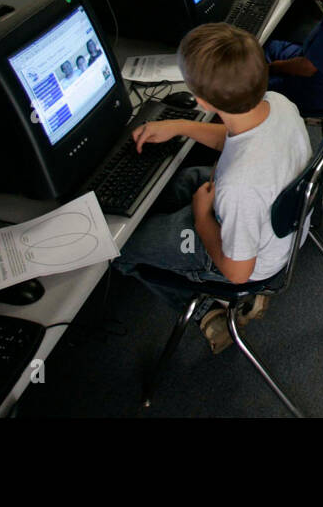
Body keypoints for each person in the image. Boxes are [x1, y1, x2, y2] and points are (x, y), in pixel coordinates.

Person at [115, 23, 312, 353]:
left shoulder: (239, 186)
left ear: (202, 102)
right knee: (181, 181)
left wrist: (202, 217)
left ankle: (209, 310)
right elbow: (236, 140)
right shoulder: (278, 103)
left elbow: (237, 272)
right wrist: (179, 126)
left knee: (119, 247)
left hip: (252, 262)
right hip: (277, 222)